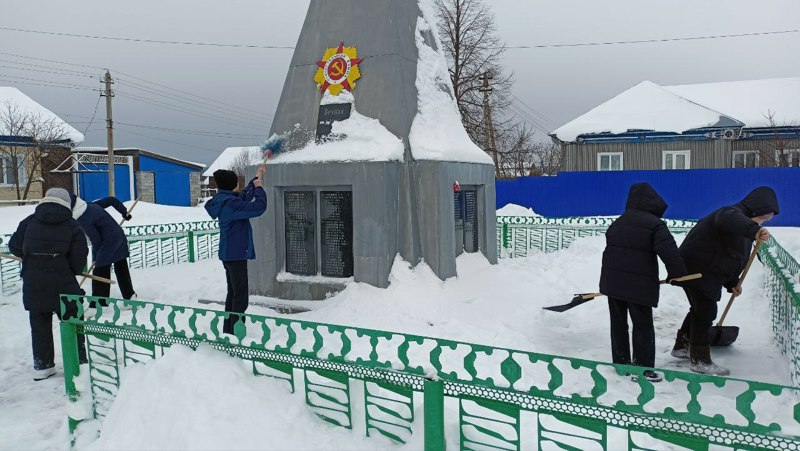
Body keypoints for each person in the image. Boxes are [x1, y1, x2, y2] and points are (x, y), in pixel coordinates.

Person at [671, 187, 779, 376]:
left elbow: (733, 259)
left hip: (707, 270)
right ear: (755, 209)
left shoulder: (744, 235)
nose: (762, 222)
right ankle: (700, 360)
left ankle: (682, 346)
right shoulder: (730, 213)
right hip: (694, 268)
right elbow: (729, 221)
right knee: (705, 311)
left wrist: (732, 283)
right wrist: (754, 230)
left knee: (699, 309)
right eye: (763, 218)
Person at [599, 183, 688, 383]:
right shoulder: (654, 224)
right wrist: (678, 275)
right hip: (638, 285)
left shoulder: (619, 222)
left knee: (618, 324)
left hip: (613, 283)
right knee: (642, 325)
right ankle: (643, 370)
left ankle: (621, 365)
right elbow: (669, 252)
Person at [9, 188, 89, 381]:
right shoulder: (72, 225)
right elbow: (80, 257)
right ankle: (78, 362)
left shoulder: (29, 222)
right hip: (63, 282)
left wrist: (31, 258)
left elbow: (14, 245)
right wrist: (70, 269)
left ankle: (43, 365)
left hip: (34, 282)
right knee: (72, 322)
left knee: (39, 324)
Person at [204, 167, 267, 335]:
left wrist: (255, 181)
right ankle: (235, 331)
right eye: (237, 183)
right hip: (236, 254)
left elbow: (243, 196)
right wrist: (260, 189)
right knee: (240, 295)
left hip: (229, 254)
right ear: (232, 185)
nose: (239, 186)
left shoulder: (225, 199)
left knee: (233, 293)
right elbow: (258, 207)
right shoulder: (231, 204)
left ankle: (228, 330)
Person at [71, 195, 135, 305]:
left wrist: (96, 258)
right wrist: (123, 212)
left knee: (100, 271)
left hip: (108, 242)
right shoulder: (89, 205)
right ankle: (130, 297)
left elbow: (96, 240)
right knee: (120, 266)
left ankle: (98, 304)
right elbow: (111, 200)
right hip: (118, 236)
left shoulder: (82, 218)